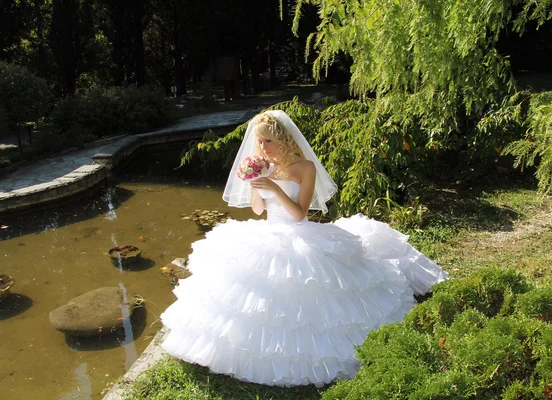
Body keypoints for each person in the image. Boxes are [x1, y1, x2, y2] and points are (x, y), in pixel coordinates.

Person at [160, 110, 448, 387]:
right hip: (269, 231)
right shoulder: (264, 166)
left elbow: (300, 214)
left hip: (298, 231)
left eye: (267, 141)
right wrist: (255, 186)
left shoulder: (305, 167)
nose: (262, 147)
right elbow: (259, 211)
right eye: (259, 142)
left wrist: (274, 188)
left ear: (283, 138)